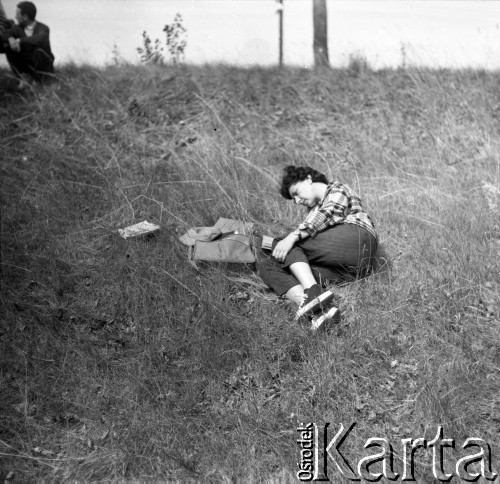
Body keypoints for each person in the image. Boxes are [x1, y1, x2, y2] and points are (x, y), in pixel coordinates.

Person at [256, 165, 378, 331]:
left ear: (308, 179)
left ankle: (314, 292)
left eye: (296, 193)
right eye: (294, 200)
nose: (297, 201)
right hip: (348, 270)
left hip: (357, 238)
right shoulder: (312, 211)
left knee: (283, 242)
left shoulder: (336, 189)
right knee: (268, 264)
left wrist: (290, 238)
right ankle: (317, 311)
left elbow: (328, 213)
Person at [0, 1, 54, 87]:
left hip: (43, 66)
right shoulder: (17, 28)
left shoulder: (43, 27)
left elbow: (40, 38)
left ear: (25, 16)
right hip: (27, 64)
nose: (15, 17)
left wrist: (20, 40)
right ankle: (23, 76)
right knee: (8, 47)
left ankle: (40, 80)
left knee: (39, 51)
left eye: (17, 14)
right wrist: (11, 39)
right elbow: (5, 34)